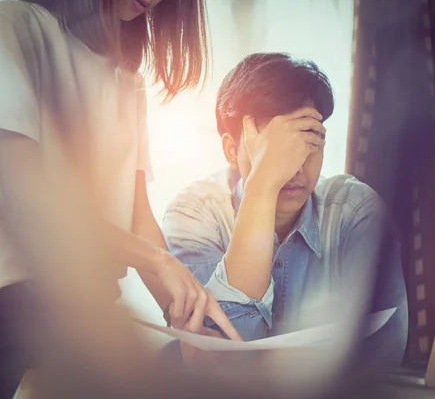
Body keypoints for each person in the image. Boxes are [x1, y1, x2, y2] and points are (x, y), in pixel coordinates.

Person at [0, 0, 241, 398]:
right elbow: (29, 202)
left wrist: (183, 316)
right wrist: (157, 260)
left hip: (85, 307)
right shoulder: (10, 23)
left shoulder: (127, 79)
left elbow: (137, 216)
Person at [162, 52, 408, 366]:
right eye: (274, 149)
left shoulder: (355, 213)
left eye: (307, 142)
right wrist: (261, 188)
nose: (294, 168)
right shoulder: (194, 216)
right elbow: (219, 362)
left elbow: (382, 357)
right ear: (230, 150)